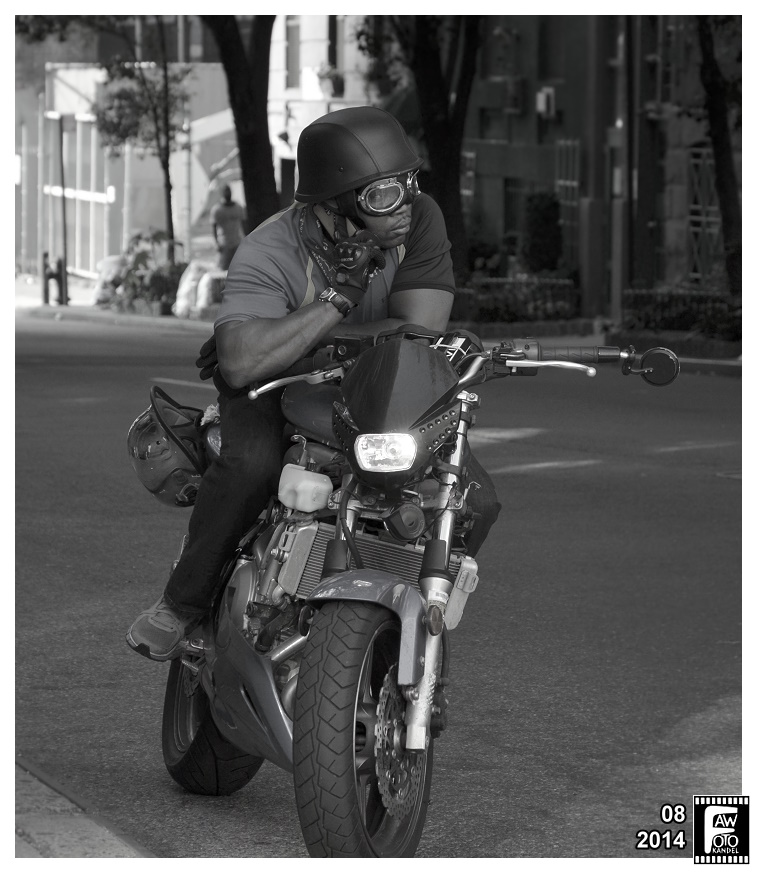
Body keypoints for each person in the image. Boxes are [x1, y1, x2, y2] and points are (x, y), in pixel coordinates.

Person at [126, 106, 501, 661]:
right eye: (380, 196)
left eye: (407, 184)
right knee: (250, 465)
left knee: (477, 499)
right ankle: (181, 605)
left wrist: (303, 331)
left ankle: (418, 620)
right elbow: (242, 365)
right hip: (275, 386)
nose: (402, 205)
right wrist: (335, 300)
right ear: (334, 207)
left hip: (381, 378)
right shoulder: (267, 249)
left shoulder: (420, 220)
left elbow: (419, 332)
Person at [210, 184, 246, 270]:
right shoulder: (217, 210)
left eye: (229, 190)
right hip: (224, 244)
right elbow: (214, 227)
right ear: (222, 193)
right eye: (225, 191)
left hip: (237, 242)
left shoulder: (238, 207)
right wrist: (216, 243)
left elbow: (244, 223)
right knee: (224, 269)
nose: (228, 193)